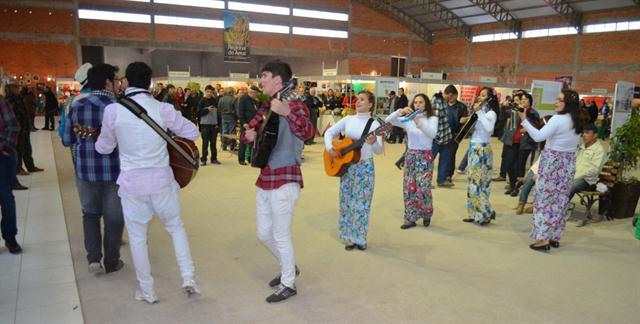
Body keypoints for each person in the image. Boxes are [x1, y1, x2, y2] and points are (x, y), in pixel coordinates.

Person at [95, 62, 200, 303]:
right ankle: (188, 278)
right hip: (163, 181)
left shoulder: (113, 111)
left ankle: (148, 291)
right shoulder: (163, 109)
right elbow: (193, 132)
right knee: (176, 228)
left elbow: (104, 148)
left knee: (138, 237)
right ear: (150, 83)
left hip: (132, 185)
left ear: (126, 82)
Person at [243, 60, 314, 303]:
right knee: (263, 233)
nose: (260, 80)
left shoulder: (294, 103)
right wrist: (249, 136)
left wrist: (288, 113)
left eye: (264, 75)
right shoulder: (265, 105)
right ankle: (290, 267)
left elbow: (308, 133)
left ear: (277, 80)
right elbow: (250, 132)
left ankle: (288, 283)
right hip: (266, 176)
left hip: (286, 176)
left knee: (281, 234)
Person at [62, 64, 125, 274]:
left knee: (90, 214)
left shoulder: (76, 106)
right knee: (114, 218)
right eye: (116, 80)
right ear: (108, 82)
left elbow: (67, 139)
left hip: (85, 172)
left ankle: (93, 260)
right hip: (115, 172)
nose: (117, 84)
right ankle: (112, 261)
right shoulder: (119, 107)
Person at [518, 88, 584, 251]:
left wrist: (524, 120)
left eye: (559, 99)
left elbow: (539, 136)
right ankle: (554, 236)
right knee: (560, 201)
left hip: (552, 162)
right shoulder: (577, 120)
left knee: (544, 200)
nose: (556, 102)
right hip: (567, 163)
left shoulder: (557, 119)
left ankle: (543, 239)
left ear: (567, 103)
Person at [325, 90, 383, 249]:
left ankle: (360, 238)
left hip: (365, 167)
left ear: (370, 105)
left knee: (363, 203)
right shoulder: (348, 119)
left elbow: (379, 151)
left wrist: (373, 143)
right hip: (347, 167)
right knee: (347, 202)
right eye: (358, 99)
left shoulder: (375, 124)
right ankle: (348, 236)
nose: (358, 102)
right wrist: (330, 147)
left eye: (362, 99)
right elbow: (329, 132)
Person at [385, 94, 438, 229]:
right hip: (410, 155)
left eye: (421, 102)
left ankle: (427, 213)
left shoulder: (432, 118)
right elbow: (388, 121)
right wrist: (400, 111)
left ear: (426, 104)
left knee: (423, 188)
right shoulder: (408, 119)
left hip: (425, 156)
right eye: (415, 102)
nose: (418, 105)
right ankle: (410, 217)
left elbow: (432, 134)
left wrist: (417, 121)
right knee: (409, 188)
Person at [462, 87, 498, 225]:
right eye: (479, 95)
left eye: (483, 95)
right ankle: (473, 213)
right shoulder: (480, 113)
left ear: (489, 99)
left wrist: (479, 113)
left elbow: (489, 129)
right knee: (472, 182)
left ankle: (484, 214)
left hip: (482, 149)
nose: (479, 97)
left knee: (480, 183)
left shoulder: (491, 114)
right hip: (473, 147)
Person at [502, 93, 540, 197]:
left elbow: (537, 126)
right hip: (513, 141)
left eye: (526, 99)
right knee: (509, 165)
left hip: (525, 143)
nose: (523, 101)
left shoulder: (533, 112)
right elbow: (505, 114)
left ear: (530, 101)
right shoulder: (516, 110)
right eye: (522, 99)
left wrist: (528, 128)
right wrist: (505, 106)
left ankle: (517, 187)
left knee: (520, 166)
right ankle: (512, 185)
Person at [569, 123, 606, 227]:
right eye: (583, 133)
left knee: (570, 186)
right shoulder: (581, 147)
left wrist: (577, 176)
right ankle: (558, 207)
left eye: (587, 133)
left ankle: (558, 210)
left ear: (594, 135)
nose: (584, 135)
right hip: (576, 177)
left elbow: (595, 169)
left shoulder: (599, 150)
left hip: (588, 180)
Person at [0, 94, 23, 254]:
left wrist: (5, 149)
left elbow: (13, 126)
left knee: (6, 197)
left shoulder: (1, 101)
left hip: (2, 158)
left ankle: (10, 238)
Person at [442, 85, 469, 182]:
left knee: (450, 155)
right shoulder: (442, 105)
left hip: (455, 135)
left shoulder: (461, 107)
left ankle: (448, 175)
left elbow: (464, 120)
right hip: (442, 134)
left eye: (453, 96)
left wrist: (466, 119)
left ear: (456, 95)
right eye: (449, 96)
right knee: (442, 155)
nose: (451, 98)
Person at [430, 92, 455, 187]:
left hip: (445, 137)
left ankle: (441, 180)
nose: (452, 100)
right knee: (429, 162)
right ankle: (426, 181)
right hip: (436, 139)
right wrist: (435, 136)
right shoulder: (436, 102)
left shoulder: (444, 102)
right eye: (452, 97)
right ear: (449, 94)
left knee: (444, 160)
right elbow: (434, 121)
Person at [197, 85, 221, 165]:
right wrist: (207, 110)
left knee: (213, 143)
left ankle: (214, 159)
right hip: (205, 125)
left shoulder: (215, 100)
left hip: (214, 125)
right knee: (205, 143)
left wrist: (218, 124)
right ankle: (204, 159)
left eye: (211, 92)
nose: (209, 93)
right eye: (208, 92)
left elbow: (218, 113)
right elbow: (198, 113)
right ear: (205, 92)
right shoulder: (202, 101)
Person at [236, 85, 259, 165]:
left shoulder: (255, 100)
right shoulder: (243, 98)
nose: (257, 95)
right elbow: (240, 112)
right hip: (246, 124)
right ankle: (241, 159)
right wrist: (244, 122)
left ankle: (250, 158)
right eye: (256, 93)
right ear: (252, 92)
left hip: (254, 123)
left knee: (252, 142)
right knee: (243, 142)